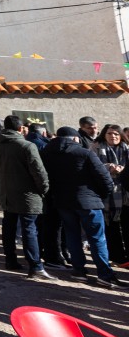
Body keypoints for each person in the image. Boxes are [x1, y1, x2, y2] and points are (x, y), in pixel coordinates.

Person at [42, 126, 123, 287]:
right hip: (88, 202)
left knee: (72, 236)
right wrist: (101, 195)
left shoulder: (46, 154)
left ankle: (79, 271)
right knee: (97, 238)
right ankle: (104, 275)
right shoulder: (84, 153)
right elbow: (104, 178)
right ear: (74, 138)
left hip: (63, 202)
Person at [0, 115, 52, 279]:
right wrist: (44, 189)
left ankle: (11, 260)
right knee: (29, 229)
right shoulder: (26, 146)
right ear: (20, 129)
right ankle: (35, 266)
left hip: (7, 193)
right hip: (28, 194)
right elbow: (39, 172)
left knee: (9, 228)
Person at [94, 123, 129, 264]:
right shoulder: (96, 148)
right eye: (109, 133)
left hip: (125, 193)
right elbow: (92, 166)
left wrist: (124, 170)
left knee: (127, 225)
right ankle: (116, 256)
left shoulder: (127, 149)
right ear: (104, 135)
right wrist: (107, 167)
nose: (113, 136)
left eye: (116, 134)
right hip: (106, 193)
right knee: (110, 225)